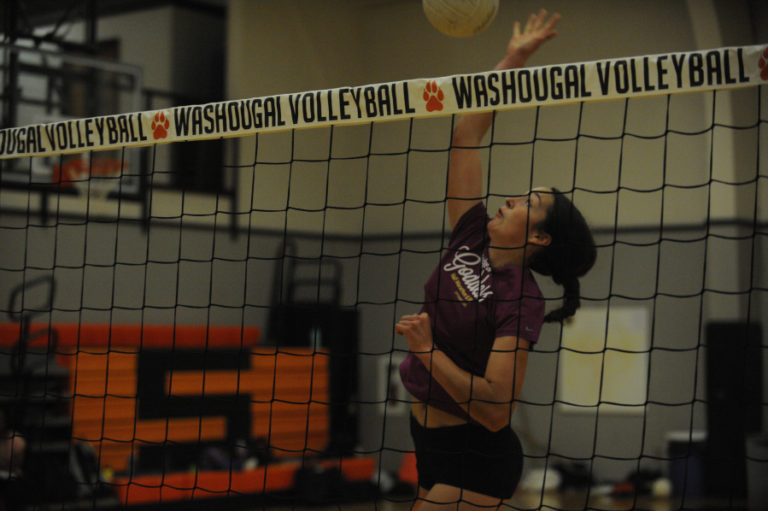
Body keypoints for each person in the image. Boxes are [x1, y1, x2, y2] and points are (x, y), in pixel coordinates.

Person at [395, 10, 596, 511]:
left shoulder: (521, 298)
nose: (512, 201)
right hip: (427, 443)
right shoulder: (471, 235)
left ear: (541, 237)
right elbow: (465, 136)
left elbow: (495, 408)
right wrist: (513, 59)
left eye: (529, 203)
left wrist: (425, 351)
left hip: (476, 454)